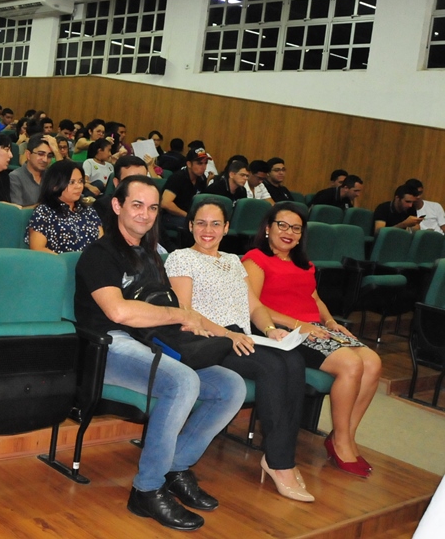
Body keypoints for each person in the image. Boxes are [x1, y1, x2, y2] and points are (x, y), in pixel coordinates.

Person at [75, 176, 245, 531]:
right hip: (109, 346)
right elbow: (119, 312)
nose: (146, 214)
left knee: (230, 386)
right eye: (137, 205)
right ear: (117, 206)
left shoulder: (152, 255)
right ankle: (147, 489)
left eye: (153, 207)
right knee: (182, 382)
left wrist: (214, 330)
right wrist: (177, 316)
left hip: (153, 341)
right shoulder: (99, 254)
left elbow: (175, 311)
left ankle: (175, 468)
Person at [165, 197, 312, 502]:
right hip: (208, 338)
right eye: (201, 223)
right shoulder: (181, 258)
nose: (208, 230)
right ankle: (279, 463)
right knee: (272, 367)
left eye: (215, 224)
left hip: (240, 337)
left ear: (226, 227)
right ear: (190, 226)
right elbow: (185, 311)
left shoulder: (233, 261)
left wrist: (270, 329)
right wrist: (227, 334)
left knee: (294, 360)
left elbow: (254, 305)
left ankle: (282, 455)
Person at [243, 202, 381, 478]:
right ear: (268, 228)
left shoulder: (304, 264)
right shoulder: (254, 259)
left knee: (373, 361)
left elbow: (314, 299)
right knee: (351, 364)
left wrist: (331, 323)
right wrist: (300, 325)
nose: (289, 232)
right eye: (282, 225)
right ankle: (341, 444)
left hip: (314, 327)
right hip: (283, 330)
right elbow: (254, 306)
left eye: (296, 228)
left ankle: (344, 436)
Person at [26, 160, 102, 253]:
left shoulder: (89, 211)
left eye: (80, 181)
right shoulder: (44, 212)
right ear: (55, 186)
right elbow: (37, 248)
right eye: (72, 182)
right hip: (58, 261)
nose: (78, 186)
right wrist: (64, 261)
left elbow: (101, 243)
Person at [161, 147, 209, 231]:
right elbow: (165, 203)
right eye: (199, 163)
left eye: (205, 163)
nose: (203, 167)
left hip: (189, 216)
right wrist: (187, 216)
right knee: (194, 225)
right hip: (169, 216)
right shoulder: (177, 178)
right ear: (189, 164)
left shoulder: (202, 178)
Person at [11, 133, 59, 207]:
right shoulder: (15, 177)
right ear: (28, 154)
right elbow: (17, 211)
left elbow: (66, 179)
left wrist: (56, 151)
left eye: (49, 156)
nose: (45, 160)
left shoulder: (50, 176)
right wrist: (45, 207)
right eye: (40, 154)